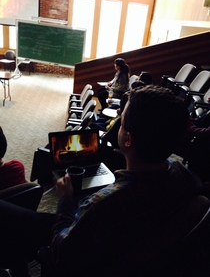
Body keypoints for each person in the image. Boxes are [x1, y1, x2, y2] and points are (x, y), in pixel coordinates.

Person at [0, 86, 201, 277]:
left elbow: (60, 254)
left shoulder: (104, 204)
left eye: (121, 122)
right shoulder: (184, 174)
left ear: (128, 139)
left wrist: (66, 200)